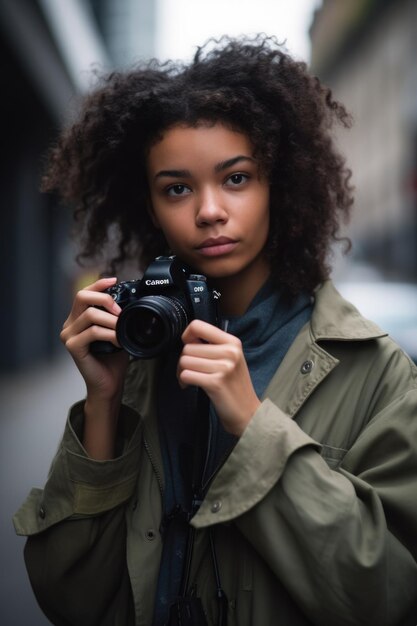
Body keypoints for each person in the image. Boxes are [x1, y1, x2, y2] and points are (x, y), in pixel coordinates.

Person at [13, 35, 417, 626]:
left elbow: (386, 594)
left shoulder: (377, 373)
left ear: (277, 184)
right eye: (177, 188)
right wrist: (101, 405)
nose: (208, 210)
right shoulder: (138, 360)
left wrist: (252, 424)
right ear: (150, 206)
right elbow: (70, 601)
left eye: (235, 179)